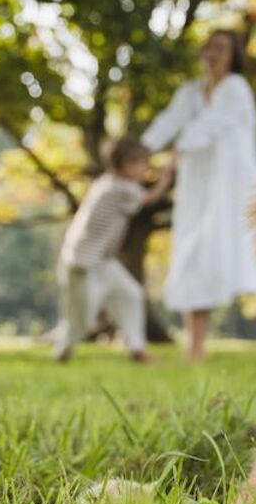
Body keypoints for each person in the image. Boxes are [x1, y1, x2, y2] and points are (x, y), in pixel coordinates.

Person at [141, 29, 256, 361]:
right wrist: (139, 153)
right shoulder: (190, 93)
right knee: (191, 258)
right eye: (210, 47)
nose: (213, 53)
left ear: (233, 56)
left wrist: (175, 153)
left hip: (232, 190)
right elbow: (168, 122)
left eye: (222, 48)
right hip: (196, 189)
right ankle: (195, 348)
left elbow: (211, 126)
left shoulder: (236, 90)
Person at [53, 137, 173, 363]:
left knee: (131, 295)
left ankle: (137, 350)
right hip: (83, 262)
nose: (146, 169)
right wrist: (164, 179)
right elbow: (148, 199)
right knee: (82, 316)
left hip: (101, 260)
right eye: (141, 164)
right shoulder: (121, 189)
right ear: (125, 166)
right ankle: (62, 351)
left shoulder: (106, 182)